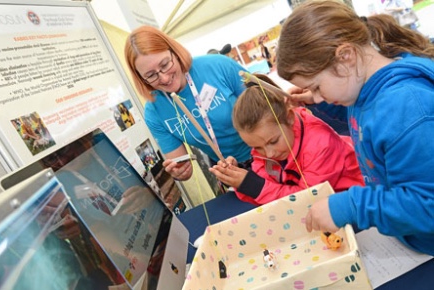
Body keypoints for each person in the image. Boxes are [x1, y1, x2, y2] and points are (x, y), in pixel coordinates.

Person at [276, 0, 434, 256]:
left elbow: (428, 205)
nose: (315, 96)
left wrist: (350, 206)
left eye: (316, 87)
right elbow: (368, 123)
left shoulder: (406, 107)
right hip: (412, 238)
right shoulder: (366, 89)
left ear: (346, 56)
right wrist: (321, 105)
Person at [209, 74, 364, 206]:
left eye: (273, 141)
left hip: (358, 207)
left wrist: (252, 185)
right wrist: (239, 177)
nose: (268, 154)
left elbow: (307, 201)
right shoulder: (267, 142)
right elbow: (269, 194)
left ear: (289, 117)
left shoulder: (321, 145)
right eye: (257, 147)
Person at [124, 25, 251, 181]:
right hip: (228, 170)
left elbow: (268, 106)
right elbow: (182, 165)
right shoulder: (154, 112)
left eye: (165, 65)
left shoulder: (218, 66)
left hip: (268, 151)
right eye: (151, 75)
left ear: (174, 52)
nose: (164, 78)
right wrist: (179, 172)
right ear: (140, 78)